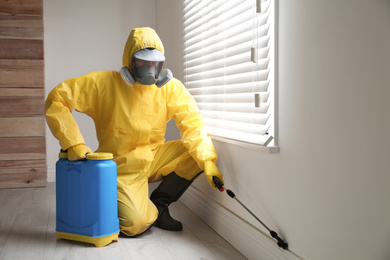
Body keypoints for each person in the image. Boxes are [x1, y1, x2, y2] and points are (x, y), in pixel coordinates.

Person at [45, 27, 224, 237]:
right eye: (142, 62)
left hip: (154, 157)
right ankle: (140, 207)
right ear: (130, 60)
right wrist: (73, 143)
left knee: (197, 154)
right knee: (135, 225)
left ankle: (161, 204)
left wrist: (207, 161)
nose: (149, 68)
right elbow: (57, 98)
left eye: (154, 63)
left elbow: (193, 125)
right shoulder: (104, 85)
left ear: (161, 64)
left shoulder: (171, 89)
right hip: (122, 166)